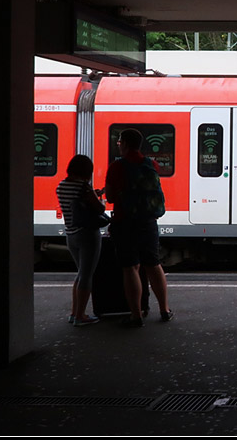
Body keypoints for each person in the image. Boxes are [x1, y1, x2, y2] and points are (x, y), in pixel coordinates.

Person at [104, 128, 173, 327]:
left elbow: (110, 197)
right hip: (148, 222)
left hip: (125, 222)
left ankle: (136, 316)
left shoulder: (117, 167)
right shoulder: (151, 164)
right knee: (153, 265)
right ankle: (164, 310)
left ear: (125, 143)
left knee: (131, 268)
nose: (118, 144)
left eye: (119, 141)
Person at [56, 154, 105, 327]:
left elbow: (75, 203)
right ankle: (80, 316)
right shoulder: (83, 187)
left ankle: (74, 313)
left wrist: (92, 195)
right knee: (86, 275)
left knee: (80, 274)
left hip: (70, 234)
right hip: (87, 234)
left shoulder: (61, 186)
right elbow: (99, 209)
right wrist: (98, 197)